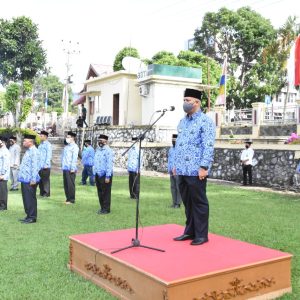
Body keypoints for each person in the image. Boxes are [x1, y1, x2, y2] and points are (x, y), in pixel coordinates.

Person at [173, 88, 215, 246]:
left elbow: (208, 145)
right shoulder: (182, 121)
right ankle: (189, 231)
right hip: (182, 169)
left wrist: (204, 166)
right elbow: (179, 145)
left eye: (188, 100)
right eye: (184, 100)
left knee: (199, 202)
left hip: (196, 169)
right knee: (187, 202)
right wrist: (176, 164)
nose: (185, 103)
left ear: (197, 102)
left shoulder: (206, 121)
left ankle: (201, 235)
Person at [18, 134, 40, 224]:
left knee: (30, 198)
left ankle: (32, 217)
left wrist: (33, 179)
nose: (23, 142)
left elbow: (35, 166)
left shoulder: (34, 151)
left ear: (30, 142)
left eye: (25, 141)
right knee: (26, 198)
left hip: (30, 179)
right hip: (25, 179)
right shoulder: (29, 151)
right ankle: (28, 215)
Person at [94, 134, 114, 214]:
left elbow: (109, 164)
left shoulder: (108, 151)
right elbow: (95, 161)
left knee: (106, 192)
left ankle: (106, 209)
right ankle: (102, 207)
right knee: (100, 192)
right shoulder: (98, 150)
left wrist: (108, 176)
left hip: (105, 175)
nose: (99, 142)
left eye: (101, 140)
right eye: (99, 140)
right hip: (98, 174)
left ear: (106, 141)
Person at [61, 131, 79, 204]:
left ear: (73, 138)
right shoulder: (66, 147)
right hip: (65, 167)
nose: (67, 138)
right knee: (66, 184)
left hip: (70, 168)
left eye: (68, 137)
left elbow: (74, 158)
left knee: (70, 184)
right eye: (67, 137)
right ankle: (67, 198)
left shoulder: (75, 147)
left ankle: (71, 199)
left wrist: (72, 168)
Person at [167, 134, 182, 208]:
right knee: (172, 187)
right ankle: (174, 202)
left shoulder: (180, 149)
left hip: (177, 171)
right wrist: (169, 169)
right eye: (172, 140)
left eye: (175, 140)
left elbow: (180, 160)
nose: (173, 141)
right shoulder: (171, 149)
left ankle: (178, 203)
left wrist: (175, 168)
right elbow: (169, 159)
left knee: (178, 187)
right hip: (171, 171)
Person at [38, 130, 52, 197]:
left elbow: (49, 155)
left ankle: (46, 193)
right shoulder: (40, 144)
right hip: (39, 165)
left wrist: (46, 164)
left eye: (41, 136)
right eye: (40, 135)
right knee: (40, 180)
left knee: (45, 180)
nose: (40, 137)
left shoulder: (48, 145)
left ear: (45, 136)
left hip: (45, 166)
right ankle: (41, 192)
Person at [0, 136, 10, 211]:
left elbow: (6, 164)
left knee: (3, 191)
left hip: (3, 175)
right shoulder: (1, 150)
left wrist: (2, 174)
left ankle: (3, 206)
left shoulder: (5, 151)